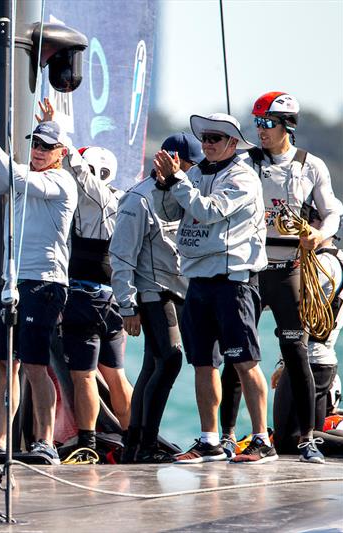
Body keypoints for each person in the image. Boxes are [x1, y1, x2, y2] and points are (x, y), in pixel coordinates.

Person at [0, 103, 77, 463]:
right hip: (12, 284)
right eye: (34, 143)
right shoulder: (22, 174)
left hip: (45, 283)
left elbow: (15, 178)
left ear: (61, 154)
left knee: (36, 366)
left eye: (45, 146)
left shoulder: (59, 182)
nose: (37, 150)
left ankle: (44, 442)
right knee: (5, 366)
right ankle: (0, 441)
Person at [152, 113, 275, 465]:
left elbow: (208, 212)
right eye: (205, 137)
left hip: (233, 282)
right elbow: (170, 211)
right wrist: (164, 183)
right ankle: (210, 441)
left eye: (215, 138)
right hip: (199, 280)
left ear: (233, 144)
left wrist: (177, 180)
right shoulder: (193, 173)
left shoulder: (243, 177)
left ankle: (261, 439)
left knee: (245, 362)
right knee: (202, 363)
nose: (207, 143)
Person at [243, 91, 343, 464]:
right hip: (251, 269)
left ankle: (308, 440)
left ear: (288, 126)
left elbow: (331, 211)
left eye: (267, 124)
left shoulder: (310, 165)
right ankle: (224, 438)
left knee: (295, 351)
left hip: (289, 268)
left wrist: (319, 234)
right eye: (257, 123)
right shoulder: (245, 162)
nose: (261, 131)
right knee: (239, 353)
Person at [110, 133, 203, 463]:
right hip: (152, 293)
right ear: (170, 162)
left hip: (177, 291)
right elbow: (121, 256)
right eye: (190, 166)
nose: (193, 173)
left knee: (154, 364)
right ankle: (145, 445)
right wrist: (127, 305)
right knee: (170, 360)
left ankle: (134, 444)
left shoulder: (183, 197)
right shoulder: (138, 199)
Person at [60, 143, 133, 456]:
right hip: (113, 299)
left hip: (85, 298)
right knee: (116, 375)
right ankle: (133, 441)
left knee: (84, 376)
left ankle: (87, 444)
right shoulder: (124, 200)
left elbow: (79, 172)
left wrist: (58, 134)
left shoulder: (93, 198)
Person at [271, 208, 343, 458]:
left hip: (309, 360)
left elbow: (293, 305)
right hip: (325, 362)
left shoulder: (320, 263)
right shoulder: (340, 258)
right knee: (312, 432)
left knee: (289, 440)